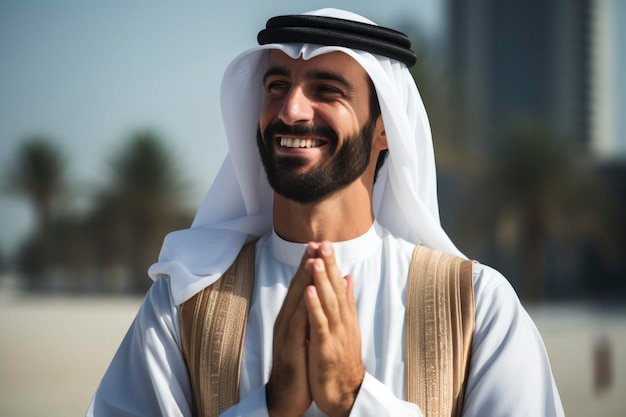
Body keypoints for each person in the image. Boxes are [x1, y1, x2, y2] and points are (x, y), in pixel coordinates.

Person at [87, 8, 565, 417]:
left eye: (327, 89)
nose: (291, 109)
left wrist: (356, 398)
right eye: (276, 85)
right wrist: (269, 407)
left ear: (384, 130)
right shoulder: (185, 301)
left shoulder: (476, 304)